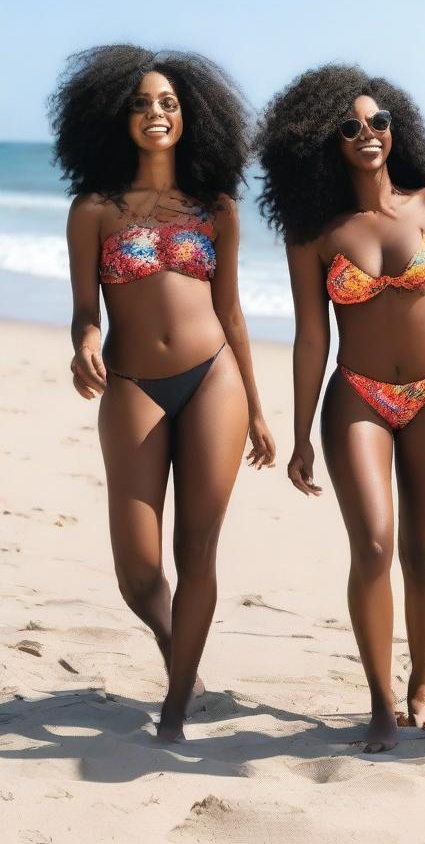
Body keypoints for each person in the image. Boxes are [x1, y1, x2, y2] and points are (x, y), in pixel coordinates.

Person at [258, 64, 425, 752]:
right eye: (350, 126)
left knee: (423, 551)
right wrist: (300, 431)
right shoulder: (314, 232)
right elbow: (312, 336)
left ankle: (422, 686)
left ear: (397, 130)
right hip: (357, 397)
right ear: (324, 142)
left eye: (379, 121)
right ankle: (378, 700)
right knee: (372, 545)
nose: (368, 134)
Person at [54, 45, 275, 742]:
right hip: (131, 384)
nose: (157, 113)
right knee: (139, 568)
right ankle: (175, 644)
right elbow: (86, 309)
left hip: (214, 376)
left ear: (192, 117)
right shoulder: (94, 208)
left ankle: (175, 710)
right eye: (143, 103)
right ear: (117, 118)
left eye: (170, 103)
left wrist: (262, 411)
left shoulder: (215, 207)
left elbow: (232, 311)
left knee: (196, 550)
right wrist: (85, 343)